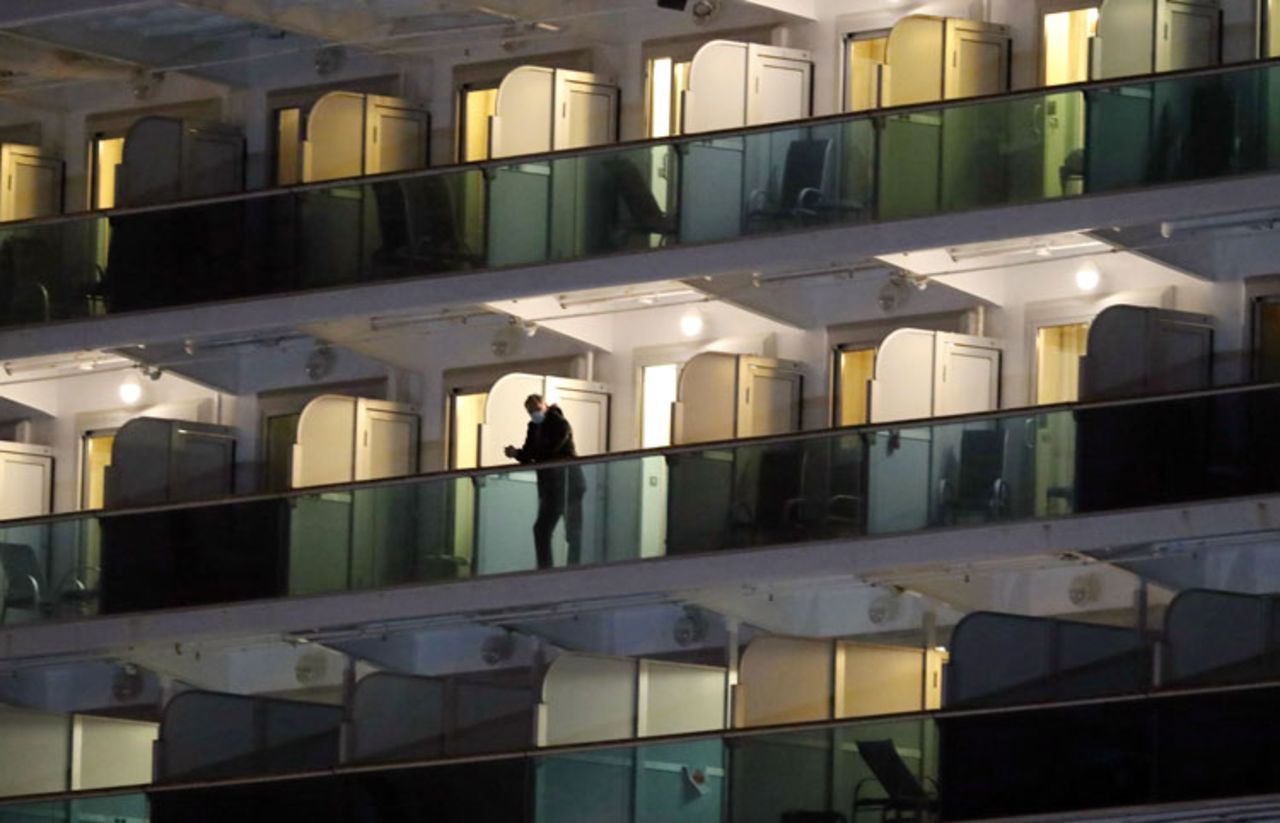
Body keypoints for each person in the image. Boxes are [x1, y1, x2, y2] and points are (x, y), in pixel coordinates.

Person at [504, 394, 586, 570]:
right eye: (531, 411)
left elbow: (549, 451)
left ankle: (573, 569)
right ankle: (546, 568)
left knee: (571, 532)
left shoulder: (560, 424)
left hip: (568, 483)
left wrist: (530, 455)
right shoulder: (534, 427)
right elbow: (530, 453)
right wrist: (517, 454)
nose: (534, 414)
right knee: (543, 529)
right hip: (552, 486)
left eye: (536, 409)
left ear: (545, 406)